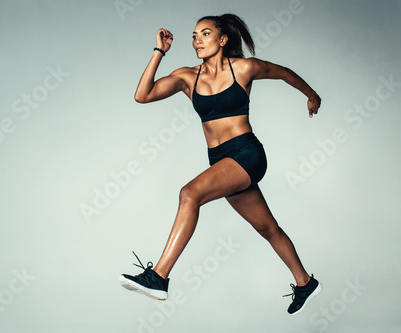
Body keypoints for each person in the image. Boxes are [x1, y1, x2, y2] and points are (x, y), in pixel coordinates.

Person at [119, 14, 322, 315]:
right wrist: (158, 51)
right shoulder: (188, 77)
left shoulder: (244, 68)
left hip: (246, 154)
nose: (197, 40)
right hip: (220, 161)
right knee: (268, 228)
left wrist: (312, 95)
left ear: (222, 39)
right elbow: (142, 95)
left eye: (205, 33)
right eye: (194, 35)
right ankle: (305, 283)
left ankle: (158, 277)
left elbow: (284, 73)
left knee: (190, 194)